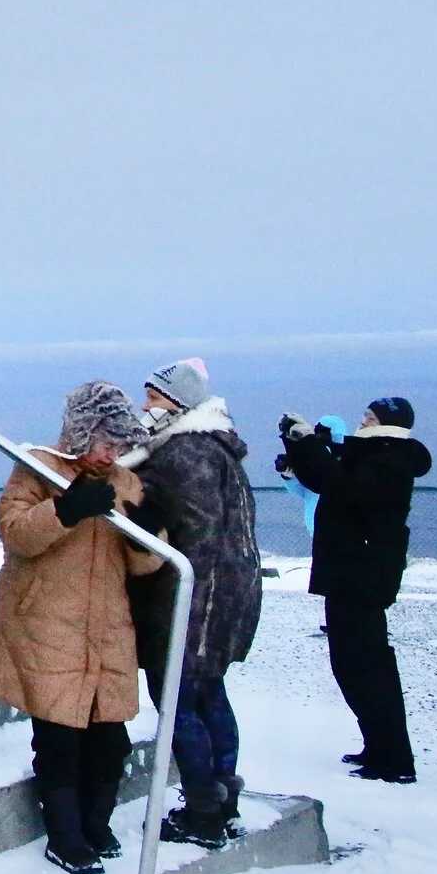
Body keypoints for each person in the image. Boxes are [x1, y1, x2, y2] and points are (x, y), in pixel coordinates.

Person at [0, 382, 165, 874]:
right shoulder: (40, 469)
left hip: (106, 629)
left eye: (119, 444)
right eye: (104, 441)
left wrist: (150, 532)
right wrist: (65, 509)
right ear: (81, 433)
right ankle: (65, 836)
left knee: (110, 741)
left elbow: (145, 567)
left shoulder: (125, 483)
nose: (111, 453)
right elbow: (16, 533)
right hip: (47, 626)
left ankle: (95, 825)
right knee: (60, 739)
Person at [130, 358, 262, 848]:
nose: (146, 407)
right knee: (210, 695)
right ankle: (223, 796)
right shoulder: (216, 446)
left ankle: (203, 808)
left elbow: (193, 535)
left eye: (155, 398)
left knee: (179, 702)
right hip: (225, 596)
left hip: (193, 601)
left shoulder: (182, 454)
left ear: (179, 404)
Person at [281, 396, 432, 783]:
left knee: (365, 667)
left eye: (369, 417)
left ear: (387, 424)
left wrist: (308, 444)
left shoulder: (390, 462)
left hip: (362, 578)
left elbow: (338, 484)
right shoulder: (375, 455)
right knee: (355, 666)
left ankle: (394, 760)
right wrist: (298, 442)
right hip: (351, 575)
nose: (361, 422)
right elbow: (323, 476)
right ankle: (379, 748)